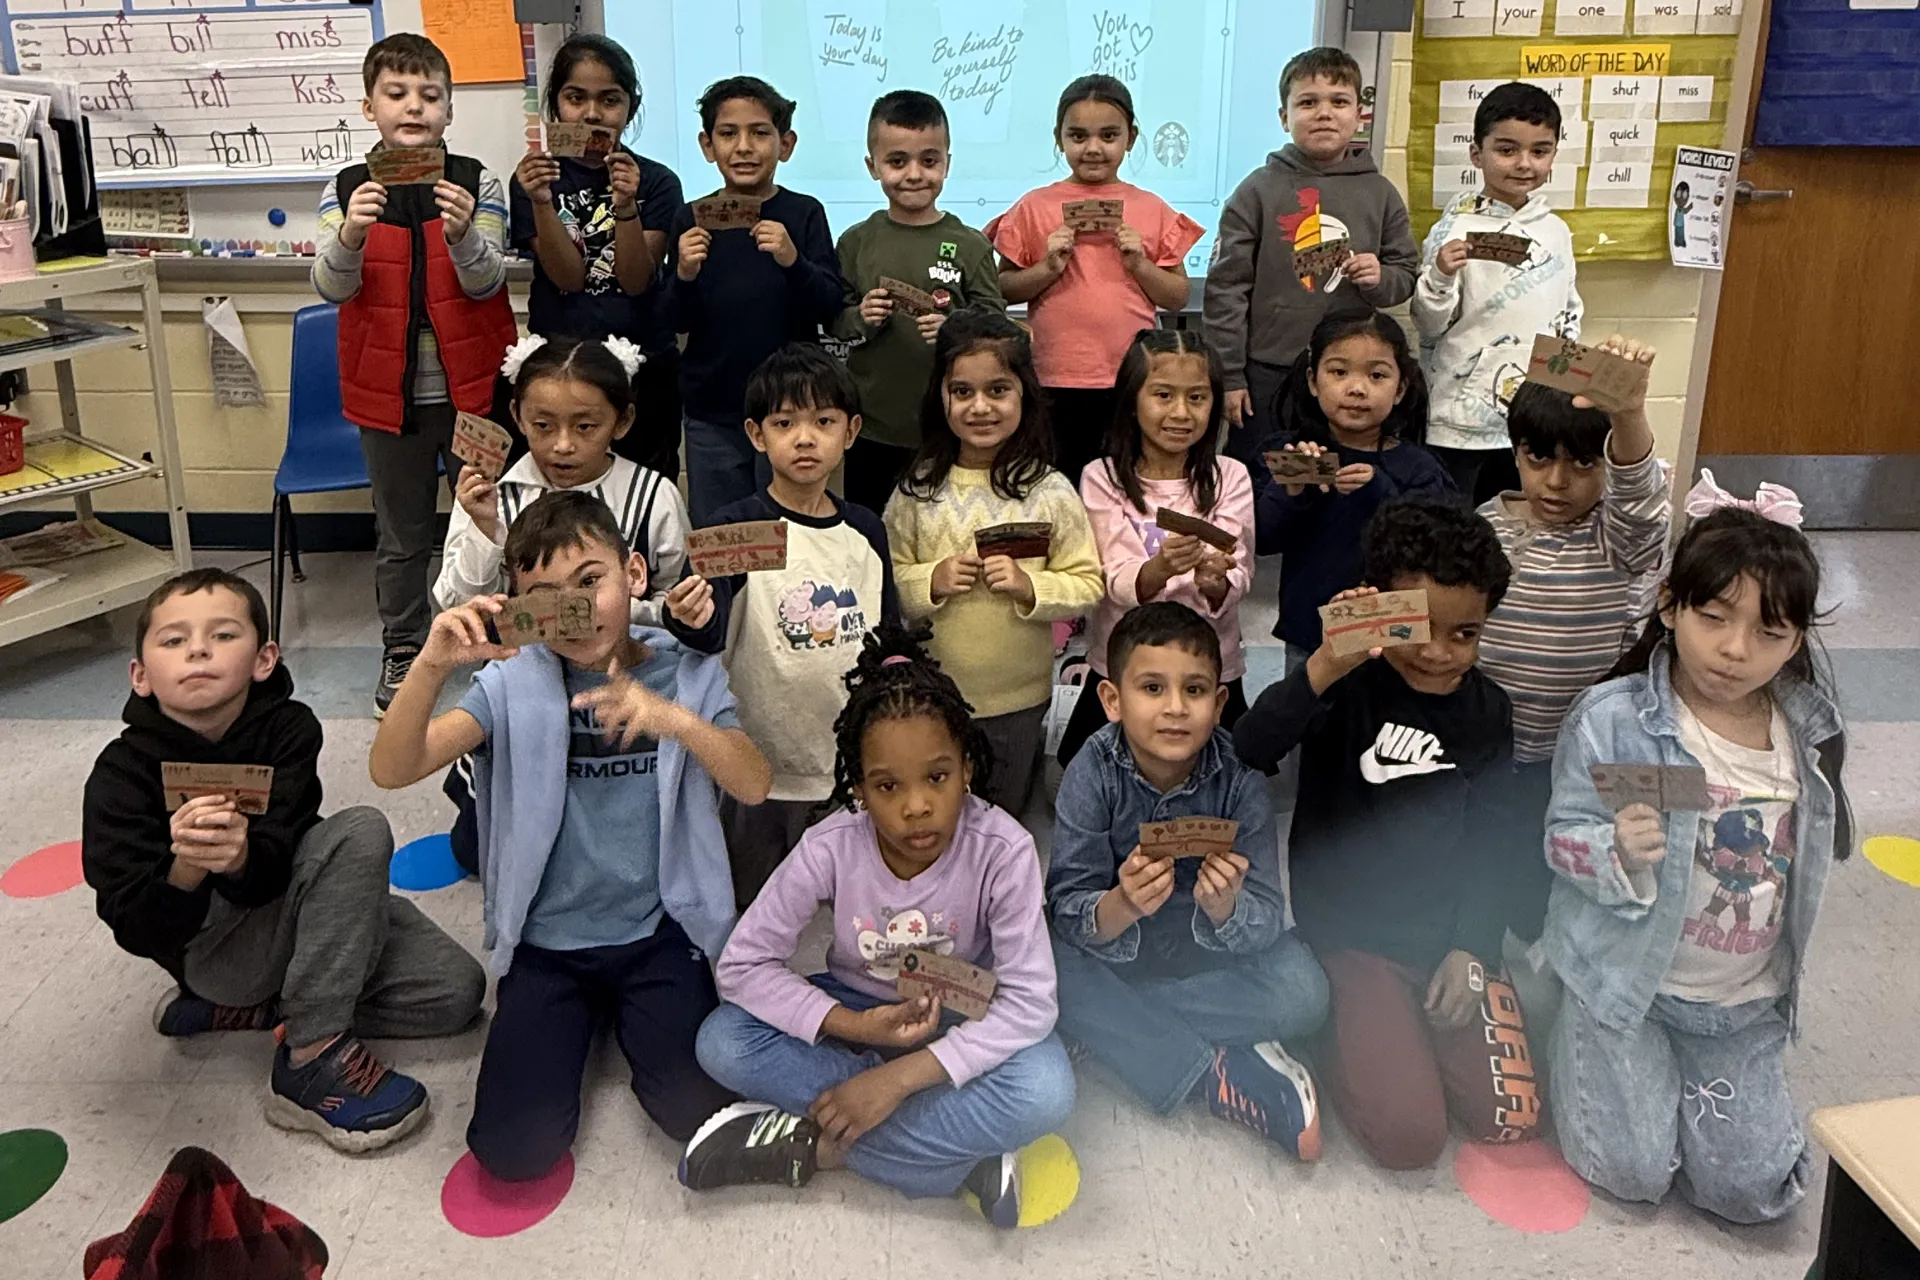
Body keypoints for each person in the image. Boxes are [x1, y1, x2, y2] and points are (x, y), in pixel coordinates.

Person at [368, 491, 773, 1183]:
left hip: (659, 932)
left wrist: (672, 719)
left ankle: (632, 1018)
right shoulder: (511, 686)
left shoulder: (686, 671)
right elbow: (392, 767)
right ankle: (575, 1024)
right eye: (547, 598)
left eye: (591, 582)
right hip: (548, 945)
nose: (577, 610)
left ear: (635, 576)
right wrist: (432, 665)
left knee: (698, 1110)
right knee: (511, 1151)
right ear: (521, 613)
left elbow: (753, 782)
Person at [679, 623, 1075, 1229]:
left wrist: (896, 1081)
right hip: (859, 1012)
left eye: (937, 778)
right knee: (722, 1039)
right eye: (888, 786)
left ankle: (821, 1145)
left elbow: (1029, 1005)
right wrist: (852, 1023)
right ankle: (958, 1163)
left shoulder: (1005, 849)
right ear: (860, 789)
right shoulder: (830, 845)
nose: (916, 805)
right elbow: (742, 966)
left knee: (1047, 1087)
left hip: (953, 1024)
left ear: (967, 768)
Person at [83, 569, 484, 1153]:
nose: (197, 649)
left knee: (455, 993)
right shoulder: (120, 774)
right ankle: (311, 1054)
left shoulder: (290, 730)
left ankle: (263, 1008)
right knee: (360, 832)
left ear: (264, 658)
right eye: (173, 641)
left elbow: (286, 850)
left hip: (291, 907)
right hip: (213, 949)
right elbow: (131, 924)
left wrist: (244, 857)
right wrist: (187, 870)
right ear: (141, 676)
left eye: (222, 636)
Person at [1542, 492, 1849, 1224]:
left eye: (1769, 631)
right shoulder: (1614, 720)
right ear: (1670, 606)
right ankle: (1567, 1022)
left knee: (1754, 1194)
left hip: (1740, 1003)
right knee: (1634, 1172)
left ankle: (1675, 1082)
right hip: (1625, 987)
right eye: (1714, 618)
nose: (1736, 650)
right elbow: (1560, 838)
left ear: (1798, 640)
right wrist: (1612, 851)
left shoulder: (1805, 732)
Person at [1234, 501, 1541, 1171]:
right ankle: (1334, 1024)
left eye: (1465, 633)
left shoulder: (1490, 710)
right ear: (1384, 606)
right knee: (1410, 1138)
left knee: (1507, 1119)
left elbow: (1495, 838)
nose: (1439, 652)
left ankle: (1399, 1026)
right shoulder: (1348, 687)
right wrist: (1323, 666)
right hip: (1352, 937)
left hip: (1444, 932)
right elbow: (1250, 748)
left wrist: (1472, 947)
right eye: (1421, 626)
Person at [1048, 602, 1330, 1156]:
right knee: (1036, 965)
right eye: (1152, 689)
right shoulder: (1092, 769)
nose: (1175, 709)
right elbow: (1065, 905)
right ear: (1112, 700)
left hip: (1210, 958)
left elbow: (1268, 915)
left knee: (1305, 992)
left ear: (1220, 702)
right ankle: (1214, 1063)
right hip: (1118, 951)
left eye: (1195, 691)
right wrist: (1120, 905)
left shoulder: (1240, 775)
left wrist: (1227, 908)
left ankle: (1112, 1028)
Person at [312, 33, 517, 717]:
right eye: (397, 94)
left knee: (490, 521)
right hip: (386, 397)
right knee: (401, 537)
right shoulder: (346, 189)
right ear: (369, 107)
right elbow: (330, 288)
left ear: (449, 110)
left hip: (474, 392)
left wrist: (464, 235)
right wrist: (349, 236)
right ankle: (403, 647)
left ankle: (497, 636)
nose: (414, 107)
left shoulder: (475, 180)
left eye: (430, 95)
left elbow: (489, 285)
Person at [665, 344, 900, 907]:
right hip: (760, 759)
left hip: (843, 757)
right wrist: (689, 617)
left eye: (824, 422)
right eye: (784, 422)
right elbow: (709, 627)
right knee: (753, 896)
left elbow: (888, 631)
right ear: (755, 434)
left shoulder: (866, 530)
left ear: (851, 431)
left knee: (840, 899)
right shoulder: (735, 528)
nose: (804, 438)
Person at [1477, 336, 1667, 942]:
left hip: (1576, 756)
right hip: (1487, 750)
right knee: (1490, 863)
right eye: (1538, 459)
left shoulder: (1617, 537)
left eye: (1583, 464)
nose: (1557, 482)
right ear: (1515, 451)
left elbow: (1639, 504)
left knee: (1556, 869)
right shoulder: (1484, 526)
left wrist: (1629, 414)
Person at [884, 308, 1104, 815]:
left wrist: (1033, 587)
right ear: (940, 396)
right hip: (930, 696)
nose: (980, 407)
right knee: (936, 817)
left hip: (1019, 702)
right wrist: (930, 580)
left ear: (1024, 394)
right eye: (963, 392)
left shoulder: (1049, 490)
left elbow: (1088, 582)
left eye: (998, 390)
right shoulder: (917, 490)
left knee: (1003, 820)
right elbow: (884, 580)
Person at [1204, 46, 1419, 482]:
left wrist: (1381, 279)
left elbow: (1404, 274)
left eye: (1339, 102)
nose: (1324, 113)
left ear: (1360, 113)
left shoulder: (1381, 192)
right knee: (1270, 482)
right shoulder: (1256, 191)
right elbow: (1226, 287)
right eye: (1308, 102)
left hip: (1348, 374)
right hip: (1267, 373)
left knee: (1339, 483)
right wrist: (1229, 376)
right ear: (1284, 117)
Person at [985, 76, 1203, 482]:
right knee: (1057, 484)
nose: (1093, 148)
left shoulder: (1151, 208)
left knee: (1124, 483)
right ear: (1059, 138)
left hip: (1131, 378)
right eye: (1078, 136)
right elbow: (1002, 288)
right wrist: (1048, 267)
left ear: (1131, 137)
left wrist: (1139, 263)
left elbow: (1177, 296)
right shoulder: (1035, 206)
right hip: (1053, 376)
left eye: (1108, 135)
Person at [1058, 329, 1255, 767]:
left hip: (1210, 663)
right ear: (1131, 400)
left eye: (1198, 398)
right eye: (1163, 395)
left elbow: (1239, 571)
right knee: (1081, 780)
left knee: (1220, 776)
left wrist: (1217, 580)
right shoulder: (1102, 476)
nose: (1181, 413)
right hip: (1123, 662)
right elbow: (1112, 575)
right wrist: (1160, 568)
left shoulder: (1230, 477)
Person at [667, 75, 846, 526]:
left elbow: (829, 307)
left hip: (791, 409)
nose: (744, 146)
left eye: (760, 133)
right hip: (713, 409)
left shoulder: (805, 213)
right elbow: (672, 317)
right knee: (719, 529)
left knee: (790, 527)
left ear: (785, 144)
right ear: (708, 146)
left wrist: (793, 260)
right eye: (728, 134)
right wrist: (684, 273)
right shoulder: (689, 217)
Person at [512, 33, 686, 480]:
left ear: (630, 107)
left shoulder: (656, 181)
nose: (592, 113)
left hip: (643, 365)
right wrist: (541, 202)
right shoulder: (534, 178)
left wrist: (627, 207)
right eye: (576, 98)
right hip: (561, 362)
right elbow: (566, 277)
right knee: (561, 486)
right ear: (555, 105)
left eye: (610, 100)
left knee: (646, 485)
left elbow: (636, 280)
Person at [434, 334, 689, 627]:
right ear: (518, 416)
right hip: (521, 663)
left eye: (585, 427)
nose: (563, 445)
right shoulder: (492, 495)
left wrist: (617, 612)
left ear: (622, 421)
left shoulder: (653, 496)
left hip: (630, 661)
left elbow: (678, 600)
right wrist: (483, 530)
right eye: (543, 426)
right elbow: (458, 607)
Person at [833, 90, 1006, 515]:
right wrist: (860, 316)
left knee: (947, 529)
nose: (914, 174)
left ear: (947, 162)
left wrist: (956, 329)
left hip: (952, 426)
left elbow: (998, 327)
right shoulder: (856, 241)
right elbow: (834, 317)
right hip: (872, 425)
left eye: (929, 161)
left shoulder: (970, 245)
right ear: (872, 166)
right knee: (872, 532)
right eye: (897, 162)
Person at [1413, 82, 1583, 507]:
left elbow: (1568, 313)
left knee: (1517, 524)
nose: (1524, 164)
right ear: (1477, 154)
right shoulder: (1453, 230)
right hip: (1459, 422)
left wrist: (1564, 391)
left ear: (1554, 155)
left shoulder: (1556, 232)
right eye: (1507, 150)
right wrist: (1439, 275)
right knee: (1454, 531)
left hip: (1532, 418)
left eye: (1540, 151)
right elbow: (1429, 323)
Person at [1258, 310, 1453, 662]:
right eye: (1338, 372)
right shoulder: (1287, 453)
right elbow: (1261, 538)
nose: (1357, 388)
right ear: (1313, 381)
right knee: (1308, 713)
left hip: (1391, 637)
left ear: (1400, 389)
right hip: (1310, 631)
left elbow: (1430, 550)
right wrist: (1292, 491)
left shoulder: (1418, 467)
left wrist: (1379, 490)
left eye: (1377, 375)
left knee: (1377, 714)